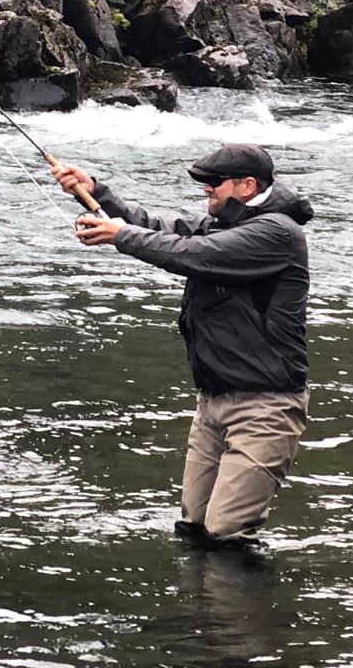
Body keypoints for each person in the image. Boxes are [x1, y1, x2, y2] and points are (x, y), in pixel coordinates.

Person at [54, 142, 314, 552]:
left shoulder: (276, 233)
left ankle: (241, 615)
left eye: (214, 183)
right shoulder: (228, 223)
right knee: (194, 528)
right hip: (212, 401)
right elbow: (163, 228)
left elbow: (195, 254)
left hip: (265, 406)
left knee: (226, 535)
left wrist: (120, 237)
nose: (206, 190)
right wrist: (96, 191)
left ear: (248, 185)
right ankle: (201, 613)